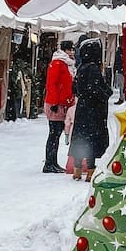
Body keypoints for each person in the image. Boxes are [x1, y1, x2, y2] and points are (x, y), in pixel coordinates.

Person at [68, 38, 111, 181]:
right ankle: (91, 170)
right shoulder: (93, 68)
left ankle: (77, 169)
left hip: (82, 108)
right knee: (91, 139)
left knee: (81, 138)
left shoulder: (81, 67)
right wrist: (106, 93)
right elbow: (96, 90)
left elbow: (75, 88)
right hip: (93, 110)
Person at [42, 39, 75, 173]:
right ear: (65, 50)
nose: (72, 52)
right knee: (54, 134)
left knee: (56, 134)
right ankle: (49, 163)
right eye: (71, 49)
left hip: (62, 102)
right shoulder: (58, 63)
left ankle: (52, 162)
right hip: (56, 104)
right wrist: (54, 102)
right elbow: (52, 84)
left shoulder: (66, 63)